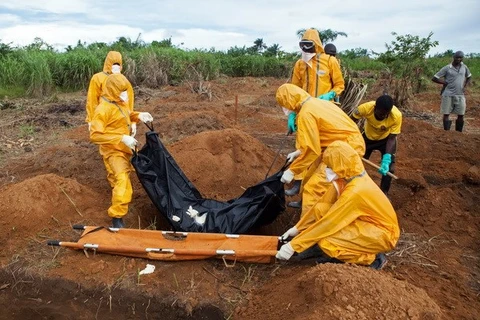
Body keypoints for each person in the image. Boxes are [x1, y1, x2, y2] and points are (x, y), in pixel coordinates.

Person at [276, 141, 400, 270]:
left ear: (340, 164)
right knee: (320, 209)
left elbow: (330, 222)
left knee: (327, 243)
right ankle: (327, 249)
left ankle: (373, 259)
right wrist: (298, 228)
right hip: (366, 223)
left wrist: (294, 245)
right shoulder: (345, 179)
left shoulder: (356, 191)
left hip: (382, 234)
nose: (327, 170)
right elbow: (322, 205)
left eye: (329, 166)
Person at [277, 83, 365, 215]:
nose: (285, 108)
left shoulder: (306, 114)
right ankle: (304, 206)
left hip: (345, 152)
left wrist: (293, 171)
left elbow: (312, 150)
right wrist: (298, 152)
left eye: (284, 104)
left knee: (314, 189)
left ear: (289, 100)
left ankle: (307, 229)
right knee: (309, 177)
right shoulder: (316, 103)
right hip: (335, 147)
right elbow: (317, 138)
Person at [286, 29, 345, 204]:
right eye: (303, 48)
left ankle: (318, 197)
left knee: (322, 155)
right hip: (305, 113)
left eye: (309, 48)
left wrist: (329, 95)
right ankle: (299, 185)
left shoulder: (330, 61)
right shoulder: (299, 65)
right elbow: (293, 91)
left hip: (325, 113)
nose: (307, 52)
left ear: (317, 46)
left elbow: (340, 85)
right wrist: (291, 115)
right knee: (304, 149)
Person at [89, 74, 153, 228]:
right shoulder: (102, 110)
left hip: (126, 148)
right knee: (122, 179)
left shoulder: (119, 102)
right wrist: (121, 138)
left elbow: (126, 115)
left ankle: (116, 193)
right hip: (113, 150)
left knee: (117, 178)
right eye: (121, 91)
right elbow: (95, 135)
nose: (125, 95)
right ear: (112, 90)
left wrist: (139, 116)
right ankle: (117, 216)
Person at [351, 94, 402, 194]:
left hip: (386, 140)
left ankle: (384, 193)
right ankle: (353, 188)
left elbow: (392, 139)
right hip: (367, 138)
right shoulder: (365, 108)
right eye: (380, 114)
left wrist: (387, 159)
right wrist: (353, 137)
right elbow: (351, 121)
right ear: (375, 108)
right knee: (357, 163)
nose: (383, 116)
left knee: (389, 170)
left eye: (385, 114)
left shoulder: (396, 116)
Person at [85, 51, 136, 135]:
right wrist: (91, 120)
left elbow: (128, 101)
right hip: (106, 116)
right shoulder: (98, 78)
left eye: (118, 64)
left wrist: (132, 121)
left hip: (121, 117)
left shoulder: (122, 79)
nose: (116, 66)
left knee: (122, 142)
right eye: (113, 63)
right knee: (108, 141)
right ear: (108, 63)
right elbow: (92, 99)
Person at [432, 51, 472, 132]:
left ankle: (458, 133)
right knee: (446, 114)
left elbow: (469, 76)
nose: (459, 59)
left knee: (461, 114)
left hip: (460, 94)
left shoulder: (464, 67)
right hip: (448, 94)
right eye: (457, 57)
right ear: (454, 57)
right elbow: (434, 78)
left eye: (460, 58)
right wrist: (444, 82)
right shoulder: (447, 68)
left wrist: (465, 86)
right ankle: (446, 133)